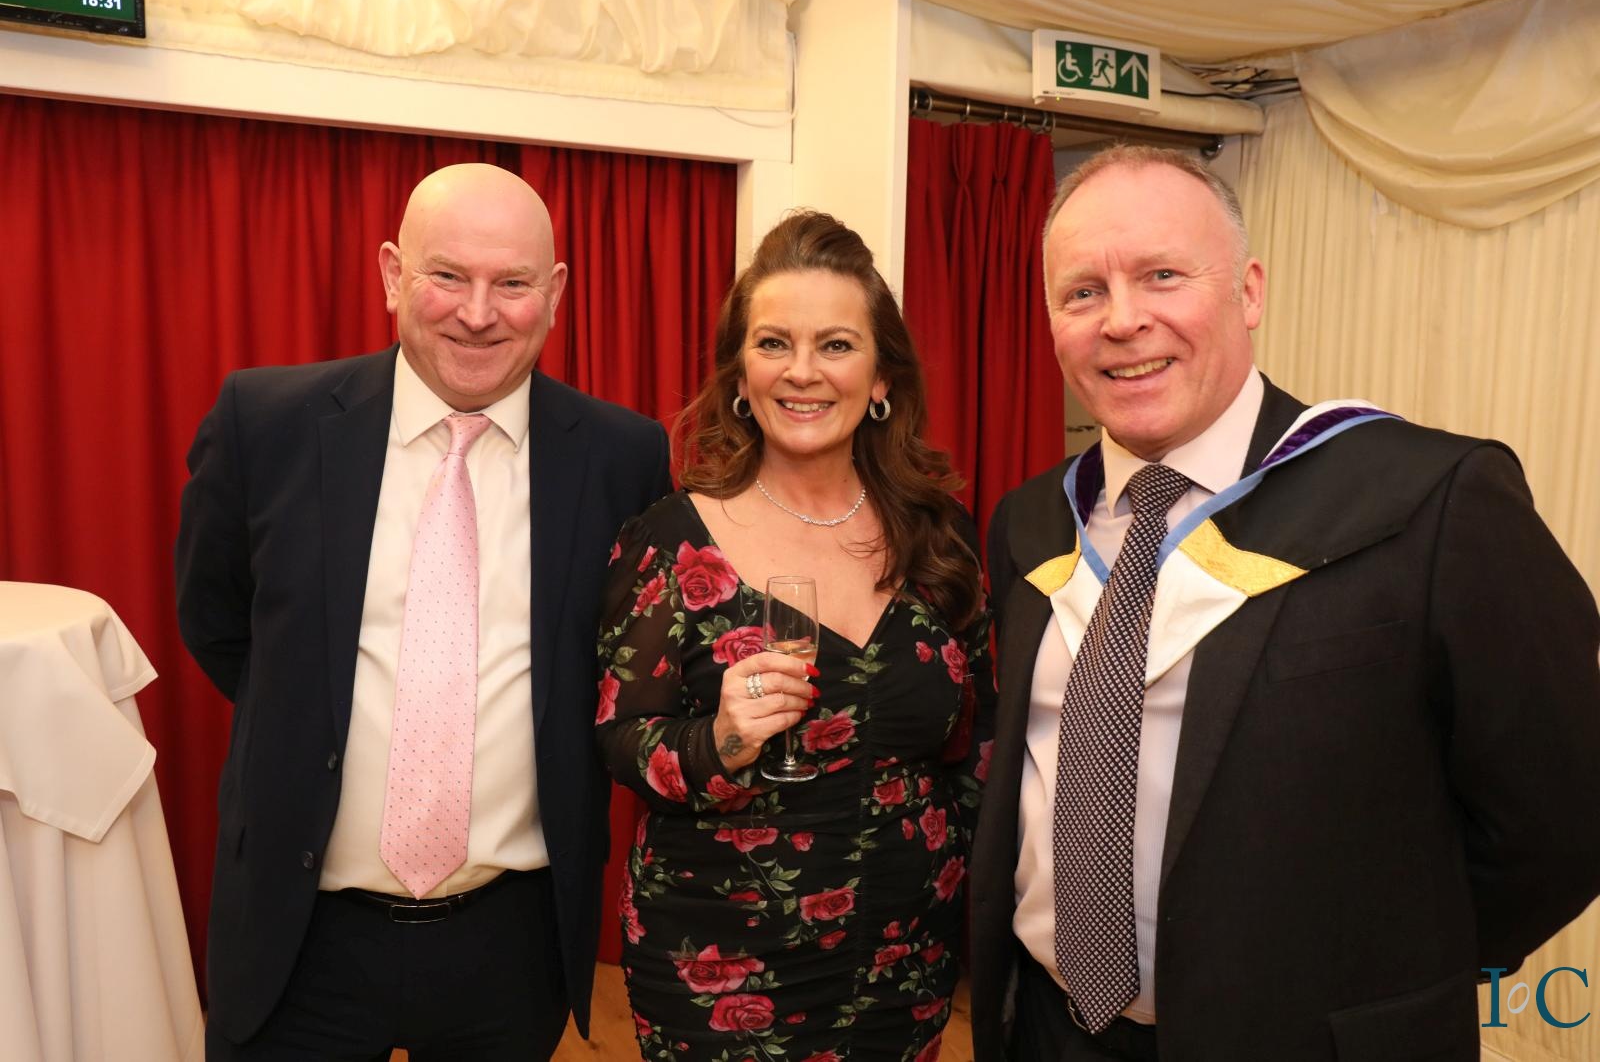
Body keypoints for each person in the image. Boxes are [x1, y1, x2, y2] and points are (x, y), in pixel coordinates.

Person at [970, 145, 1600, 1060]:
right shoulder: (1030, 522)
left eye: (1162, 275)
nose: (1123, 319)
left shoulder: (1433, 501)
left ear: (1250, 291)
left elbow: (1563, 815)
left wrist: (1392, 974)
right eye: (1083, 292)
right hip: (1050, 1029)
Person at [176, 163, 671, 1060]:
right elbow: (220, 623)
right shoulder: (267, 424)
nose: (478, 313)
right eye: (447, 275)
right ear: (392, 273)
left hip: (510, 943)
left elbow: (627, 665)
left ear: (555, 294)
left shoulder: (622, 457)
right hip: (299, 932)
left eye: (512, 283)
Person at [595, 211, 994, 1061]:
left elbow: (979, 745)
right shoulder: (672, 538)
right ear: (741, 373)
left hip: (905, 962)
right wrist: (720, 740)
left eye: (836, 345)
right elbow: (620, 738)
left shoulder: (941, 538)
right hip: (721, 967)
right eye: (774, 343)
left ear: (881, 376)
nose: (802, 371)